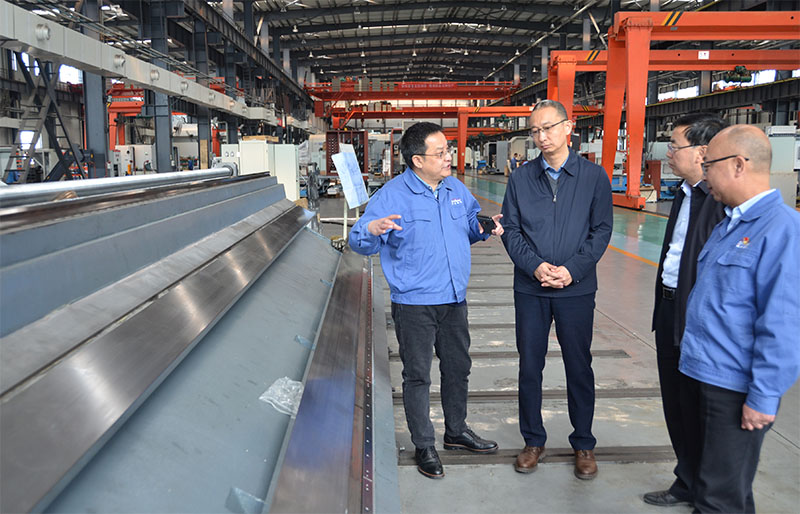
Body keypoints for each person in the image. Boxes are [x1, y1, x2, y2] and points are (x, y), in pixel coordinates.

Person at [349, 122, 504, 479]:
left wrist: (483, 227)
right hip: (414, 303)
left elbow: (467, 224)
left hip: (454, 298)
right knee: (418, 375)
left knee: (458, 368)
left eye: (448, 150)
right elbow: (359, 241)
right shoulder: (392, 195)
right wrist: (371, 229)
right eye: (441, 153)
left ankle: (456, 431)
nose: (449, 157)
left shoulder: (455, 188)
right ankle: (424, 444)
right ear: (417, 160)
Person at [679, 124, 800, 512]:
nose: (705, 175)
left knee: (718, 498)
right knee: (722, 489)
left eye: (709, 165)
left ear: (737, 165)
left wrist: (764, 395)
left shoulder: (782, 230)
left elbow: (783, 323)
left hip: (735, 388)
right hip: (705, 374)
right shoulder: (730, 224)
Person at [501, 99, 612, 479]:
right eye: (535, 130)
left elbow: (601, 230)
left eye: (548, 127)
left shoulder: (594, 177)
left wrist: (571, 271)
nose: (541, 136)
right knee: (530, 366)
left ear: (568, 127)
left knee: (579, 366)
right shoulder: (520, 179)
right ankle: (533, 440)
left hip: (575, 290)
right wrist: (534, 266)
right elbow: (511, 230)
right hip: (530, 289)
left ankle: (584, 443)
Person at [644, 114, 728, 507]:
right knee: (676, 403)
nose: (669, 152)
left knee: (701, 407)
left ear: (702, 152)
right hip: (668, 309)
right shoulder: (682, 194)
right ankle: (687, 479)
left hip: (698, 318)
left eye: (675, 145)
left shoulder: (720, 201)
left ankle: (708, 491)